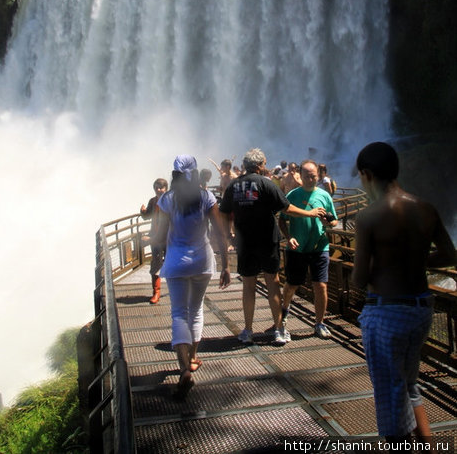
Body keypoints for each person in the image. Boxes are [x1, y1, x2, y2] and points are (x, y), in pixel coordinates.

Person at [352, 142, 456, 444]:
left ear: (367, 174)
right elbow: (450, 256)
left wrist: (384, 264)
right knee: (409, 386)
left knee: (389, 396)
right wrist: (416, 258)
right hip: (421, 309)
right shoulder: (426, 209)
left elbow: (358, 279)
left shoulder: (368, 217)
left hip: (386, 312)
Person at [220, 148, 329, 346]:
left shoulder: (234, 186)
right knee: (273, 283)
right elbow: (286, 208)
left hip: (245, 242)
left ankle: (247, 331)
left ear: (245, 166)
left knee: (248, 285)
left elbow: (224, 212)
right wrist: (311, 213)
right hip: (267, 241)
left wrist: (229, 233)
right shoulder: (265, 183)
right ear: (261, 165)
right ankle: (279, 330)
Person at [154, 155, 230, 398]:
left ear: (174, 175)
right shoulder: (206, 197)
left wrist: (158, 250)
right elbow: (220, 233)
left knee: (179, 313)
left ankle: (184, 368)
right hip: (202, 262)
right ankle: (195, 356)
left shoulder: (167, 200)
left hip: (176, 263)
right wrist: (226, 265)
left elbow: (158, 233)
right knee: (195, 310)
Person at [279, 160, 338, 338]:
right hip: (297, 249)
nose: (310, 179)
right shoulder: (292, 195)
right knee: (291, 285)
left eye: (313, 176)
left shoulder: (324, 196)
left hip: (320, 246)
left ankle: (319, 323)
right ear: (300, 176)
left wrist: (329, 222)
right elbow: (282, 219)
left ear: (318, 176)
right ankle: (284, 311)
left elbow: (334, 220)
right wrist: (289, 237)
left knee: (320, 285)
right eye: (307, 176)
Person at [139, 178, 169, 304]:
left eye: (161, 187)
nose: (159, 190)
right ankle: (156, 292)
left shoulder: (170, 202)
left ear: (166, 189)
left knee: (171, 263)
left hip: (168, 238)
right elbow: (148, 216)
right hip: (155, 239)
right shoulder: (153, 201)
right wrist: (143, 212)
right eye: (156, 187)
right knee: (156, 263)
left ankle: (177, 290)